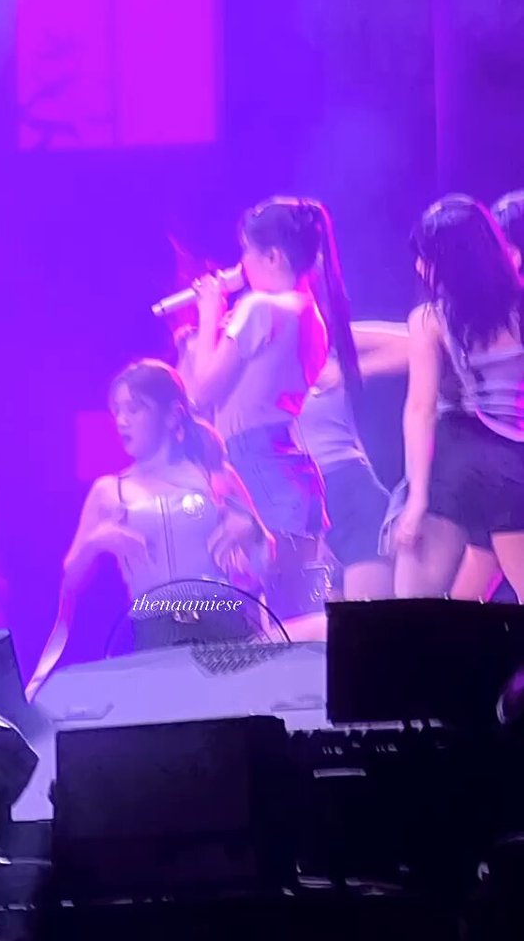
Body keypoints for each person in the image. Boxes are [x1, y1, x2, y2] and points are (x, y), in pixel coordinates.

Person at [26, 360, 273, 700]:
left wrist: (252, 531)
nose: (122, 421)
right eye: (117, 411)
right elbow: (70, 580)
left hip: (225, 625)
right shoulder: (109, 491)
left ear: (172, 415)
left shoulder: (215, 477)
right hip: (155, 633)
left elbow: (268, 557)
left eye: (135, 408)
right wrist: (97, 542)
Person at [187, 196, 360, 626]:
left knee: (281, 624)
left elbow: (201, 391)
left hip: (255, 468)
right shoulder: (314, 318)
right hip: (287, 470)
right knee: (298, 616)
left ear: (273, 256)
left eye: (246, 251)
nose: (241, 263)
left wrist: (209, 314)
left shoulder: (260, 308)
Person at [393, 196, 524, 601]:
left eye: (425, 258)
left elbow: (420, 409)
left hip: (464, 466)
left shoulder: (431, 319)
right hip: (515, 466)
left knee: (413, 609)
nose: (419, 267)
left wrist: (417, 498)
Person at [295, 319, 408, 602]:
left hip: (350, 492)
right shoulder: (241, 356)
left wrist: (347, 372)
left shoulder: (320, 337)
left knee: (365, 621)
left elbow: (415, 344)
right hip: (295, 502)